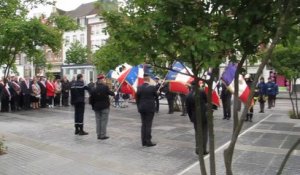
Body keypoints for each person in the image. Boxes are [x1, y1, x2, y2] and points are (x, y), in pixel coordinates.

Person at [186, 82, 209, 155]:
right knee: (204, 133)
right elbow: (206, 101)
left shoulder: (188, 95)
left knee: (197, 134)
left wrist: (191, 118)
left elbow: (188, 109)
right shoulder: (202, 92)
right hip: (203, 116)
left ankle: (198, 149)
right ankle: (203, 149)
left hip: (195, 117)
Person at [89, 74, 115, 140]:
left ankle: (98, 135)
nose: (104, 81)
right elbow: (111, 93)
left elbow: (91, 99)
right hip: (105, 107)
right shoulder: (105, 87)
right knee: (104, 121)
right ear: (101, 80)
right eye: (103, 79)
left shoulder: (93, 89)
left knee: (98, 121)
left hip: (96, 107)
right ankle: (102, 135)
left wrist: (93, 106)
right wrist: (114, 92)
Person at [136, 73, 158, 147]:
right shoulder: (152, 88)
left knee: (143, 124)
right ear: (148, 79)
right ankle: (148, 141)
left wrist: (138, 107)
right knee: (148, 125)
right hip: (150, 108)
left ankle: (143, 141)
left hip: (142, 108)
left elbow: (137, 98)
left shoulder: (139, 87)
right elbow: (156, 97)